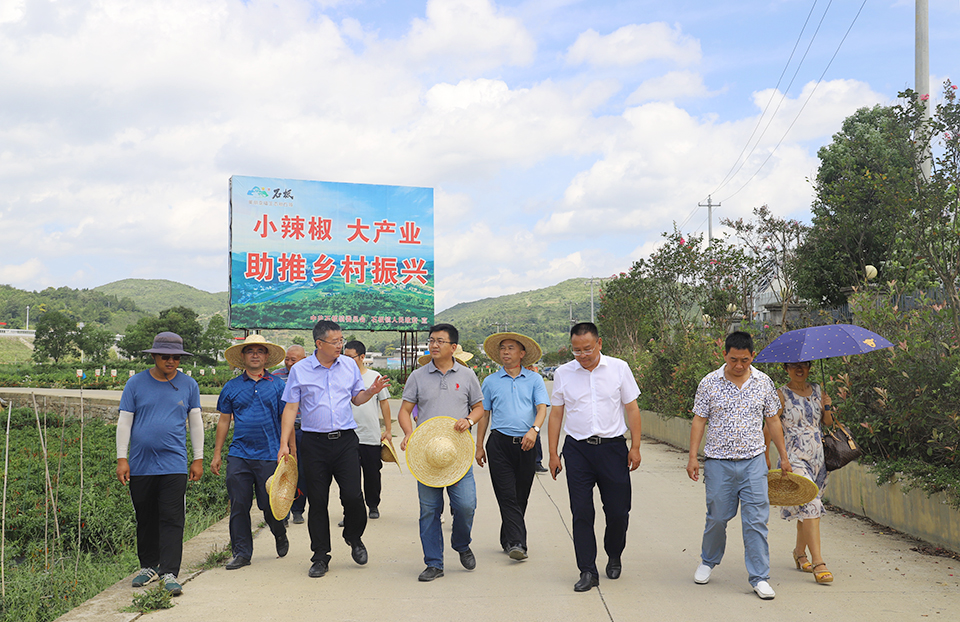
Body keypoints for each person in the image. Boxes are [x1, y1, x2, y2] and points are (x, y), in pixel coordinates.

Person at [278, 321, 389, 579]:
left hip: (346, 441)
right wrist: (285, 444)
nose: (341, 345)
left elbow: (356, 398)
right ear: (319, 344)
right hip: (314, 444)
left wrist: (371, 391)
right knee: (318, 502)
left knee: (353, 496)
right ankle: (320, 556)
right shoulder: (301, 370)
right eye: (336, 341)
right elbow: (291, 409)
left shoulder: (349, 365)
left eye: (342, 340)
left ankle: (353, 537)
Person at [686, 331, 792, 600]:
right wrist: (692, 456)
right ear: (725, 355)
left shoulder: (763, 383)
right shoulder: (709, 383)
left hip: (754, 462)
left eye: (744, 360)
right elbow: (699, 420)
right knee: (718, 517)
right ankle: (708, 560)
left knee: (756, 521)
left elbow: (773, 421)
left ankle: (760, 577)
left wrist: (783, 455)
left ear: (752, 357)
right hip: (718, 462)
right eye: (733, 359)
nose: (738, 365)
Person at [548, 322, 642, 593]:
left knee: (618, 511)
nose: (583, 355)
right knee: (581, 512)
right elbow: (556, 414)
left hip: (612, 448)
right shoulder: (564, 373)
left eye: (587, 349)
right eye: (577, 350)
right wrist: (553, 453)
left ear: (599, 343)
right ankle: (587, 570)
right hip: (577, 450)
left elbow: (632, 409)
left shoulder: (619, 368)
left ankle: (614, 553)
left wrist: (635, 446)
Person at [116, 332, 203, 596]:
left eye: (176, 357)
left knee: (172, 517)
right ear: (154, 356)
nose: (171, 361)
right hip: (141, 464)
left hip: (174, 464)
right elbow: (125, 421)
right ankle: (148, 566)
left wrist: (198, 458)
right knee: (145, 516)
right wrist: (122, 458)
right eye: (165, 356)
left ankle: (169, 572)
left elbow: (196, 423)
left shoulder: (189, 385)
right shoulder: (135, 383)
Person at [398, 323, 483, 582]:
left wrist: (468, 421)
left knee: (466, 505)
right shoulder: (418, 376)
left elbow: (479, 407)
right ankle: (434, 563)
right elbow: (404, 410)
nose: (433, 345)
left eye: (440, 341)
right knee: (429, 510)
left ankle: (461, 543)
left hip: (458, 454)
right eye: (431, 340)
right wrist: (408, 432)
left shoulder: (467, 376)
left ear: (453, 347)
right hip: (426, 456)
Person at [211, 335, 289, 570]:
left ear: (266, 357)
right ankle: (242, 553)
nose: (255, 354)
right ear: (243, 357)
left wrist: (288, 448)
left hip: (269, 454)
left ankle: (279, 532)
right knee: (239, 504)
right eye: (250, 351)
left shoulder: (277, 385)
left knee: (269, 505)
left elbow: (286, 419)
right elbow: (224, 422)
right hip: (239, 454)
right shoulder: (231, 387)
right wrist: (217, 454)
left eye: (260, 350)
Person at [475, 332, 548, 560]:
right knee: (506, 495)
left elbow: (542, 408)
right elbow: (484, 414)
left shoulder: (535, 379)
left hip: (527, 444)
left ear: (522, 353)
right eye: (502, 348)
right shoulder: (490, 382)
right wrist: (479, 446)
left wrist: (534, 430)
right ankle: (518, 543)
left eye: (510, 348)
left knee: (521, 496)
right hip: (499, 444)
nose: (505, 352)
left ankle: (507, 537)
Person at [766, 360, 835, 584]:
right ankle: (819, 562)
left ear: (809, 368)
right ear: (785, 368)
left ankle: (799, 552)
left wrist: (828, 407)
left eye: (804, 365)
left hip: (818, 459)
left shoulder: (817, 390)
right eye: (794, 366)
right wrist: (766, 455)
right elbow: (770, 424)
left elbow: (827, 422)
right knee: (812, 505)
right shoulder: (781, 394)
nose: (799, 369)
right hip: (793, 459)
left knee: (807, 509)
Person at [343, 340, 392, 520]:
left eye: (350, 357)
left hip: (370, 435)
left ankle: (373, 505)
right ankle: (350, 511)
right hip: (347, 436)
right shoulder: (340, 376)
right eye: (344, 356)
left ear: (362, 357)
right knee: (349, 477)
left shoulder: (374, 376)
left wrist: (388, 429)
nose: (346, 360)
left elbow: (384, 403)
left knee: (372, 473)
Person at [273, 344, 308, 523]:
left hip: (305, 431)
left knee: (302, 472)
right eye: (287, 359)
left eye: (293, 360)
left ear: (303, 359)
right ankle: (282, 512)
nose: (288, 363)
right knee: (283, 471)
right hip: (284, 431)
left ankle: (298, 510)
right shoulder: (276, 377)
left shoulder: (310, 375)